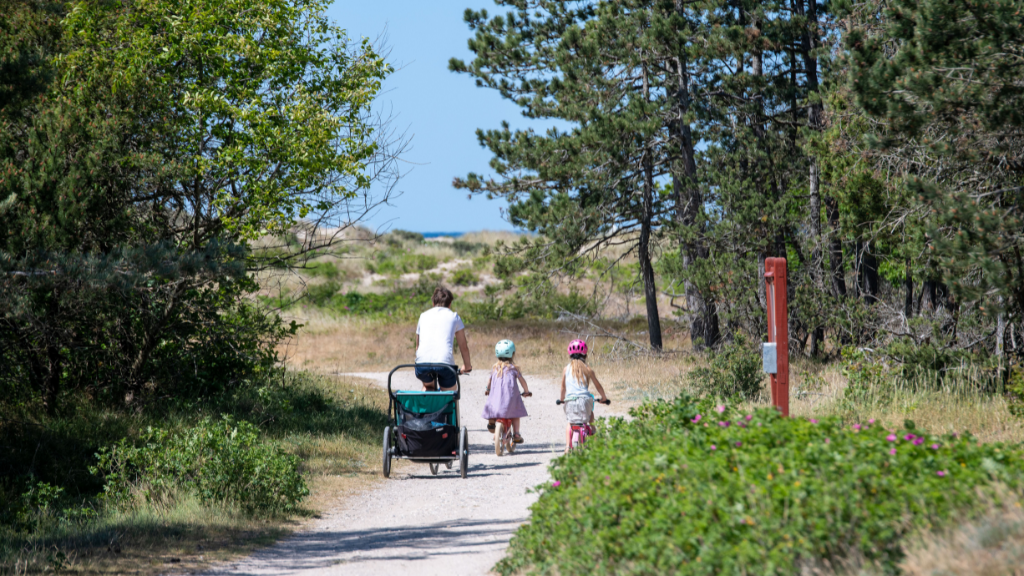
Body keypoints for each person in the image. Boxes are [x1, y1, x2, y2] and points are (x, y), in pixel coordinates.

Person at [414, 286, 472, 391]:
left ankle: (427, 403)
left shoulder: (423, 316)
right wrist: (467, 366)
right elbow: (463, 347)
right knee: (449, 393)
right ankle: (446, 403)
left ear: (433, 303)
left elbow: (417, 347)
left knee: (428, 386)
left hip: (422, 364)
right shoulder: (454, 316)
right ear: (449, 304)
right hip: (444, 364)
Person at [559, 339, 608, 453]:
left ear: (570, 354)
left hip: (570, 401)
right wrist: (604, 398)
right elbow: (598, 386)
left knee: (570, 423)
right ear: (585, 354)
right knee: (590, 414)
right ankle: (593, 431)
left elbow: (563, 387)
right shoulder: (587, 369)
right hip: (585, 400)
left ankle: (567, 447)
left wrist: (561, 399)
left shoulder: (566, 369)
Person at [481, 339, 531, 445]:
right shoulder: (514, 368)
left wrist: (487, 389)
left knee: (493, 404)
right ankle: (516, 434)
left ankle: (492, 420)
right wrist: (526, 391)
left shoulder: (494, 368)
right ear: (512, 354)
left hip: (496, 399)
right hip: (511, 399)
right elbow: (523, 382)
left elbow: (489, 381)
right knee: (515, 413)